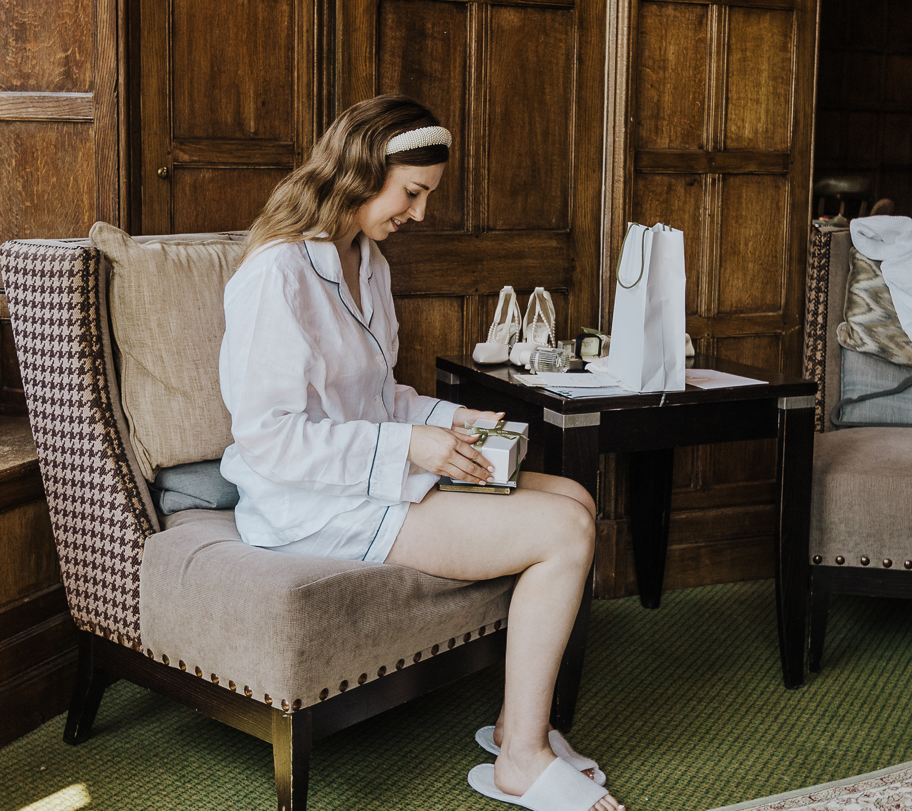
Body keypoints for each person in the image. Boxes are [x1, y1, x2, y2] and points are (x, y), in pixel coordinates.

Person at [219, 95, 623, 811]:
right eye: (412, 193)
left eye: (426, 195)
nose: (421, 212)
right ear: (361, 171)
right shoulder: (275, 275)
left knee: (576, 499)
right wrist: (412, 446)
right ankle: (521, 761)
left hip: (369, 474)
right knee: (563, 531)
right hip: (309, 504)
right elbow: (270, 436)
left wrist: (451, 419)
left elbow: (379, 396)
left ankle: (514, 728)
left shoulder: (367, 261)